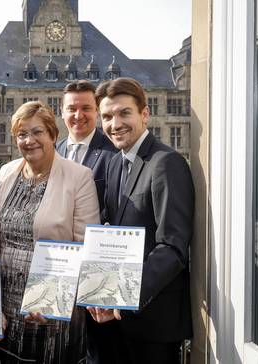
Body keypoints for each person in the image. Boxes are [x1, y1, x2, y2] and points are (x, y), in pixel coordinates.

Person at [89, 77, 194, 364]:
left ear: (144, 114)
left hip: (154, 324)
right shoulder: (114, 163)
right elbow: (110, 229)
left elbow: (172, 247)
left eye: (125, 113)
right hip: (116, 321)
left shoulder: (166, 162)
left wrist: (126, 295)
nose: (115, 124)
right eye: (107, 116)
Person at [0, 101, 100, 364]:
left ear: (53, 134)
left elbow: (85, 247)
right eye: (21, 134)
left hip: (53, 309)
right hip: (6, 307)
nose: (30, 140)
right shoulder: (7, 172)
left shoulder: (79, 176)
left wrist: (53, 302)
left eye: (37, 132)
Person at [57, 80, 117, 211]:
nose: (78, 116)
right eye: (72, 109)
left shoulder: (114, 154)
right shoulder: (54, 151)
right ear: (62, 112)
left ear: (97, 111)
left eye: (86, 108)